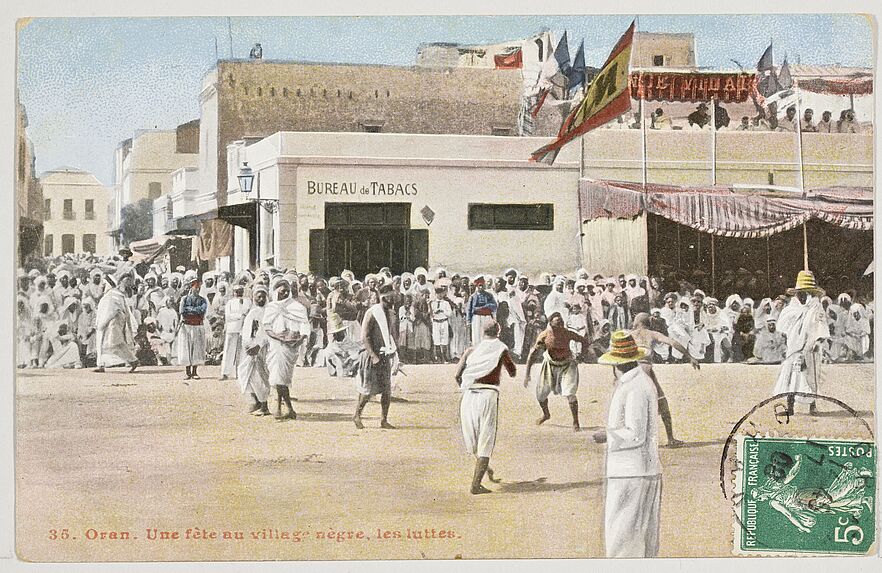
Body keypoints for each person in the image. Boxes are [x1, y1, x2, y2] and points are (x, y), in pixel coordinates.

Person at [593, 331, 661, 558]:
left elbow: (635, 433)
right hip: (637, 470)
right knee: (639, 540)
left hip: (631, 472)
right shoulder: (638, 382)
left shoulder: (636, 386)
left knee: (622, 541)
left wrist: (607, 435)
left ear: (617, 364)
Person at [454, 320, 516, 495]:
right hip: (488, 395)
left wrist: (467, 385)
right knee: (486, 439)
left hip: (468, 397)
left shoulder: (470, 351)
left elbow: (457, 375)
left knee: (473, 438)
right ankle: (475, 485)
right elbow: (512, 371)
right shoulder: (500, 348)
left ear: (483, 333)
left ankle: (485, 470)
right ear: (498, 331)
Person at [629, 312, 700, 446]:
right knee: (662, 404)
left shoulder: (629, 334)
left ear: (637, 322)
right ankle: (670, 438)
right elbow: (673, 342)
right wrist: (689, 356)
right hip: (646, 370)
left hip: (630, 371)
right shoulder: (652, 334)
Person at [772, 271, 830, 416]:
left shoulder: (816, 309)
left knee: (810, 376)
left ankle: (813, 406)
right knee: (791, 376)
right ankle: (790, 407)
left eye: (806, 293)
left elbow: (822, 327)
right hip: (793, 348)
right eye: (800, 293)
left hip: (810, 348)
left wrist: (818, 341)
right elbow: (783, 328)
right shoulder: (790, 309)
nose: (802, 296)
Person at [524, 312, 592, 431]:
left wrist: (581, 357)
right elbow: (532, 354)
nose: (560, 326)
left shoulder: (567, 333)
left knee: (570, 395)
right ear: (550, 324)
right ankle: (546, 414)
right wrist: (527, 374)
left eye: (562, 324)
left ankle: (576, 422)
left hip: (567, 365)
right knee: (540, 395)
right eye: (557, 324)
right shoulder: (544, 335)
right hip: (550, 365)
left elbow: (584, 341)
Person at [263, 277, 310, 421]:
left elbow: (304, 325)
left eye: (286, 292)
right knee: (278, 377)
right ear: (275, 291)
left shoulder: (297, 307)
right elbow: (267, 327)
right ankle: (285, 408)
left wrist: (299, 340)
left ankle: (284, 408)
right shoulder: (271, 307)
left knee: (281, 377)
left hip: (291, 346)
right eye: (281, 291)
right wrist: (279, 338)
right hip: (276, 345)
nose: (284, 294)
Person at [354, 285, 398, 429]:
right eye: (390, 296)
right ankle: (357, 415)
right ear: (383, 297)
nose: (393, 299)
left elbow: (391, 335)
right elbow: (365, 336)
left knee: (386, 390)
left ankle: (384, 420)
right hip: (371, 356)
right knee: (367, 390)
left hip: (385, 355)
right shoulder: (372, 312)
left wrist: (394, 353)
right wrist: (373, 355)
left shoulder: (391, 314)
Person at [94, 273, 139, 373]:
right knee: (103, 344)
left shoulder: (114, 295)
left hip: (113, 324)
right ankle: (101, 365)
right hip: (105, 324)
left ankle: (133, 360)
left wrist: (103, 323)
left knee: (115, 344)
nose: (102, 287)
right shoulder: (108, 296)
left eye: (104, 284)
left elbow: (114, 311)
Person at [239, 284, 271, 416]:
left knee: (260, 376)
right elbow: (247, 331)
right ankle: (256, 401)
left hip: (262, 349)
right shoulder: (252, 312)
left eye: (263, 296)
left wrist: (259, 345)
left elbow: (267, 332)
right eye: (258, 296)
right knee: (245, 374)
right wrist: (247, 344)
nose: (261, 298)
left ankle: (264, 405)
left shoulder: (268, 313)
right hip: (250, 348)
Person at [219, 284, 252, 380]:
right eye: (236, 291)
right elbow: (228, 316)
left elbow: (249, 313)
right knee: (229, 350)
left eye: (240, 291)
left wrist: (244, 317)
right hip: (232, 328)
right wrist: (240, 315)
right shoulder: (230, 302)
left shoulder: (248, 301)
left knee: (241, 351)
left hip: (244, 329)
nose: (238, 293)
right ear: (233, 292)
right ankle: (225, 373)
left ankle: (240, 373)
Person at [178, 277, 208, 380]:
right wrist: (193, 310)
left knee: (197, 349)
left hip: (197, 326)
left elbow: (202, 310)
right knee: (186, 348)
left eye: (199, 288)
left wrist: (190, 310)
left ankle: (195, 372)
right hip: (187, 326)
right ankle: (187, 372)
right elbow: (182, 311)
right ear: (191, 288)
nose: (197, 289)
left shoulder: (202, 300)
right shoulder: (184, 299)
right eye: (195, 287)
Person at [466, 277, 497, 346]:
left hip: (486, 317)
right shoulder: (473, 296)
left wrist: (485, 307)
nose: (481, 287)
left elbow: (494, 306)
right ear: (477, 286)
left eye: (482, 285)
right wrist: (468, 320)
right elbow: (469, 309)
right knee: (476, 334)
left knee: (486, 334)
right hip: (476, 318)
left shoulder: (489, 295)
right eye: (479, 285)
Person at [430, 285, 453, 363]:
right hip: (436, 322)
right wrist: (434, 312)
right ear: (435, 294)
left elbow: (450, 314)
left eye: (441, 293)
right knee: (436, 339)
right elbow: (431, 314)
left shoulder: (446, 303)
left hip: (444, 321)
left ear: (443, 293)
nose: (439, 295)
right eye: (438, 293)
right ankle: (439, 358)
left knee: (444, 339)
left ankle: (445, 357)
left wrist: (442, 310)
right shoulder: (432, 303)